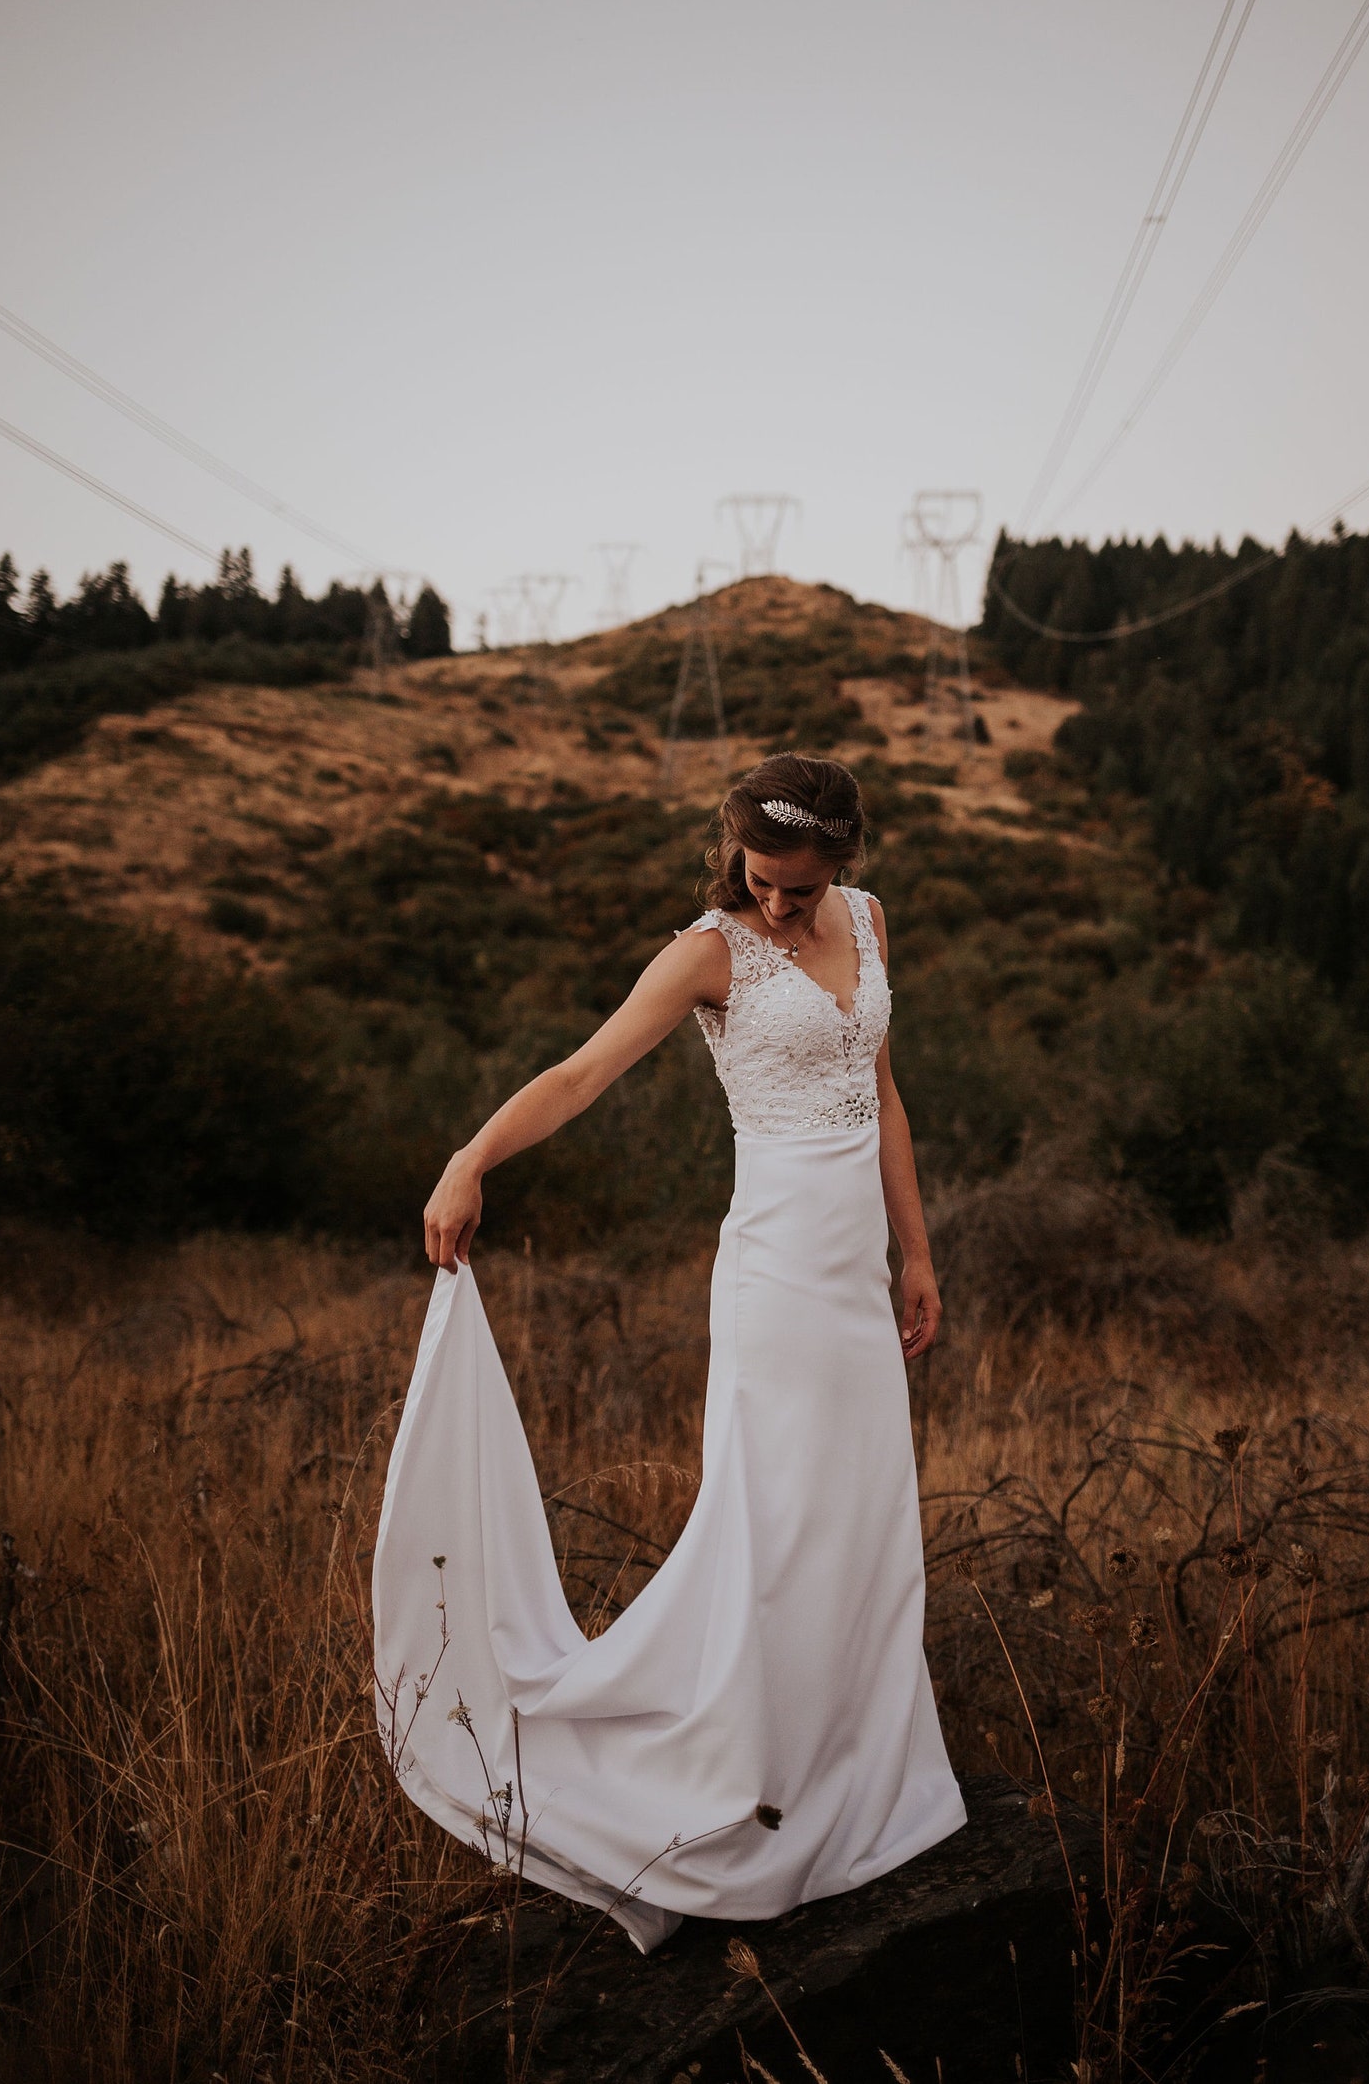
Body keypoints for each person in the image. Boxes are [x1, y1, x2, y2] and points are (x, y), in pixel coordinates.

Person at [373, 752, 966, 1950]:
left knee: (861, 1516)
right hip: (773, 1279)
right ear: (736, 857)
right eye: (763, 881)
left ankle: (852, 1772)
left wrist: (915, 1251)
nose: (783, 907)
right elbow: (585, 1071)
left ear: (843, 866)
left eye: (802, 887)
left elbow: (883, 1093)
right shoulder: (709, 952)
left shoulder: (869, 919)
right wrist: (468, 1159)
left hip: (854, 1271)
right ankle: (738, 1780)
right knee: (776, 1525)